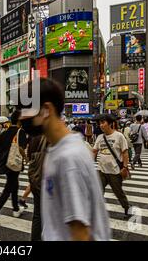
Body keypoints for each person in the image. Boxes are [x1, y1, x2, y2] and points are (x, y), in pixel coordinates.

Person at [19, 78, 110, 241]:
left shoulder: (69, 158)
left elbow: (81, 233)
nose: (21, 118)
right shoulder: (57, 150)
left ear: (46, 109)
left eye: (26, 110)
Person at [0, 110, 27, 228]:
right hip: (14, 163)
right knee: (8, 189)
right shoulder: (21, 132)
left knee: (14, 184)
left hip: (6, 164)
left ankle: (15, 209)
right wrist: (26, 159)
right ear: (19, 120)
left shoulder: (5, 132)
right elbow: (21, 148)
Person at [93, 114, 132, 217]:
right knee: (98, 191)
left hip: (115, 171)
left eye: (103, 123)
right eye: (99, 123)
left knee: (118, 192)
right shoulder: (100, 137)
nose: (100, 125)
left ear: (110, 123)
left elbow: (125, 152)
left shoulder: (119, 136)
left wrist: (125, 167)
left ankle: (128, 208)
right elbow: (94, 151)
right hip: (101, 170)